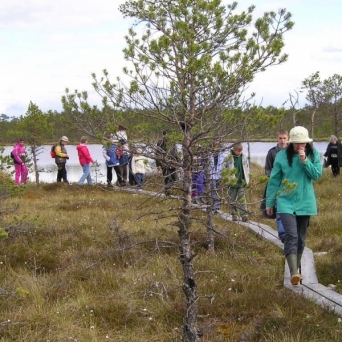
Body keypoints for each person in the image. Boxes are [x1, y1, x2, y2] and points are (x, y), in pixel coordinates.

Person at [265, 126, 322, 286]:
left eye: (302, 143)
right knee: (291, 235)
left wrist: (305, 161)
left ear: (307, 142)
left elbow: (316, 174)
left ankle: (295, 268)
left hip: (305, 201)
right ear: (291, 142)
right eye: (296, 143)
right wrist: (270, 201)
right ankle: (294, 272)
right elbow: (274, 179)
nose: (299, 146)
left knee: (301, 239)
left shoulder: (313, 154)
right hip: (285, 200)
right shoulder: (282, 156)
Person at [264, 129, 289, 242]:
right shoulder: (272, 152)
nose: (282, 140)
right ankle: (283, 235)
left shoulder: (292, 151)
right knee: (279, 210)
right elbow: (267, 170)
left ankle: (290, 233)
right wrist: (275, 178)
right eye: (280, 138)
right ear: (277, 138)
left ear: (288, 138)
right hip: (276, 186)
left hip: (290, 186)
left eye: (284, 138)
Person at [224, 143, 250, 222]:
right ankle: (234, 214)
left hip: (241, 182)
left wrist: (247, 179)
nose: (239, 152)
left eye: (240, 151)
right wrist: (227, 179)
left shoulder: (244, 158)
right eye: (238, 151)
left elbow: (247, 168)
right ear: (234, 150)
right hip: (232, 182)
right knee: (232, 199)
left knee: (242, 199)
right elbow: (224, 169)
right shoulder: (229, 158)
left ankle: (244, 215)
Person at [156, 131, 179, 196]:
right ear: (163, 136)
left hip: (173, 163)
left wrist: (178, 162)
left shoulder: (173, 143)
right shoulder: (160, 143)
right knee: (167, 179)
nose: (167, 137)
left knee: (174, 179)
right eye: (165, 135)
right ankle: (167, 193)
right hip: (165, 164)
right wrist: (158, 164)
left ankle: (170, 189)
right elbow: (157, 154)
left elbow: (176, 153)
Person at [209, 139, 225, 212]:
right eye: (215, 140)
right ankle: (216, 207)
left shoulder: (223, 150)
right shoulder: (209, 150)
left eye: (218, 140)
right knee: (213, 189)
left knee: (217, 190)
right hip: (211, 173)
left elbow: (225, 161)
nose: (216, 142)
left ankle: (215, 205)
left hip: (220, 173)